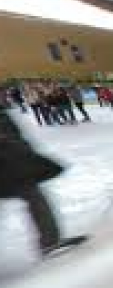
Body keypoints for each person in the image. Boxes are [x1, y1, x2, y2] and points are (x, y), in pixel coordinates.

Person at [0, 106, 88, 256]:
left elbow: (14, 135)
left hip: (13, 167)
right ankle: (49, 241)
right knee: (35, 198)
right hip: (9, 167)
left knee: (36, 198)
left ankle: (50, 241)